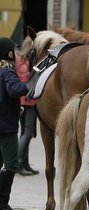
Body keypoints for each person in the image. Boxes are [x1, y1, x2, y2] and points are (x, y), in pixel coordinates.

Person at [0, 37, 29, 210]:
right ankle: (3, 206)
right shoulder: (8, 71)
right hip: (6, 127)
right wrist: (30, 85)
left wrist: (11, 106)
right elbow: (13, 90)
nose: (16, 53)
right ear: (9, 53)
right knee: (11, 164)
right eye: (14, 50)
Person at [14, 37, 39, 176]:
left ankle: (25, 164)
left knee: (24, 132)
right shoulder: (31, 62)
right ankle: (18, 163)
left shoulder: (19, 60)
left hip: (21, 99)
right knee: (28, 132)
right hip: (30, 100)